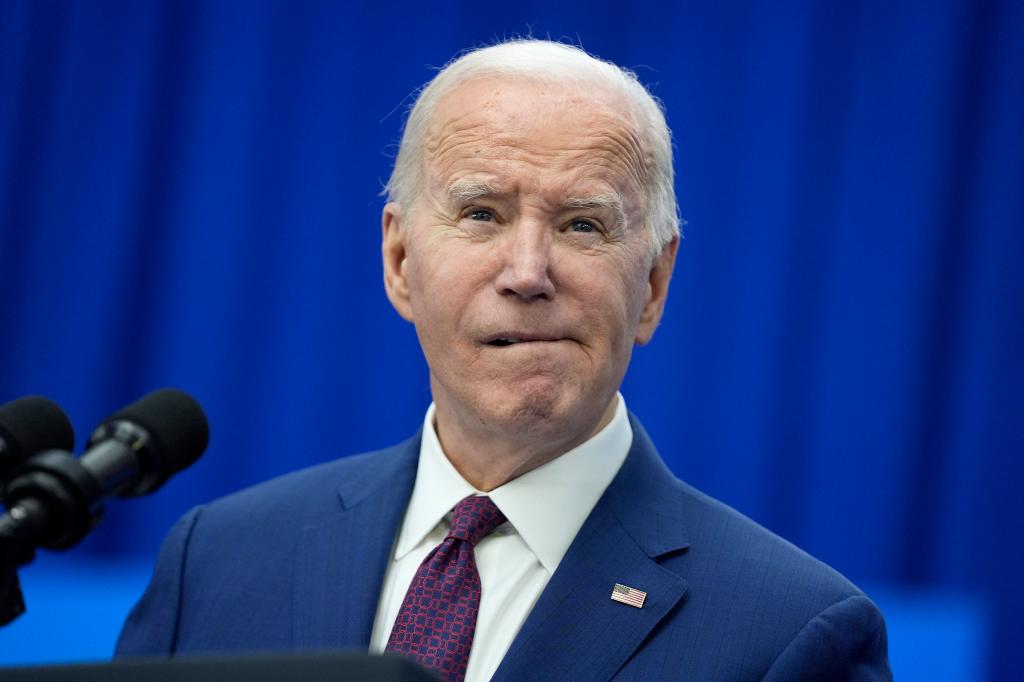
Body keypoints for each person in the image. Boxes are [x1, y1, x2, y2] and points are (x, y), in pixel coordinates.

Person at [116, 40, 891, 681]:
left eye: (583, 225)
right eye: (481, 214)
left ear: (652, 285)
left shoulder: (794, 634)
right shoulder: (216, 561)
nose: (527, 272)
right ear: (398, 260)